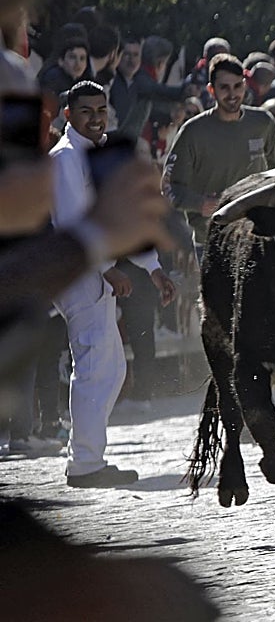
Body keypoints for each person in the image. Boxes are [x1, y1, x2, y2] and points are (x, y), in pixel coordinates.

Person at [50, 82, 176, 486]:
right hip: (76, 270)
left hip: (96, 270)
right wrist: (108, 269)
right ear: (68, 115)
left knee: (111, 367)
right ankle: (85, 464)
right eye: (86, 111)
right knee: (94, 366)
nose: (96, 117)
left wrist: (153, 267)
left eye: (101, 109)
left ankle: (85, 454)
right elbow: (72, 220)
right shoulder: (66, 158)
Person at [162, 54, 275, 261]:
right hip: (211, 239)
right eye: (224, 88)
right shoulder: (193, 132)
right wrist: (199, 203)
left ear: (245, 86)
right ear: (211, 90)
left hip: (254, 235)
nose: (232, 94)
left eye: (237, 86)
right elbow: (169, 188)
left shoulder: (262, 123)